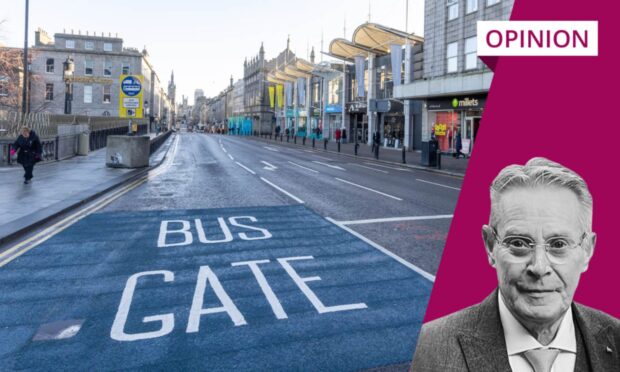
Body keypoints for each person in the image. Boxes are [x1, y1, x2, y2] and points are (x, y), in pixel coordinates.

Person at [411, 157, 620, 372]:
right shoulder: (429, 347)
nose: (539, 267)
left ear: (587, 250)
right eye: (519, 243)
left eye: (558, 244)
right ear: (490, 246)